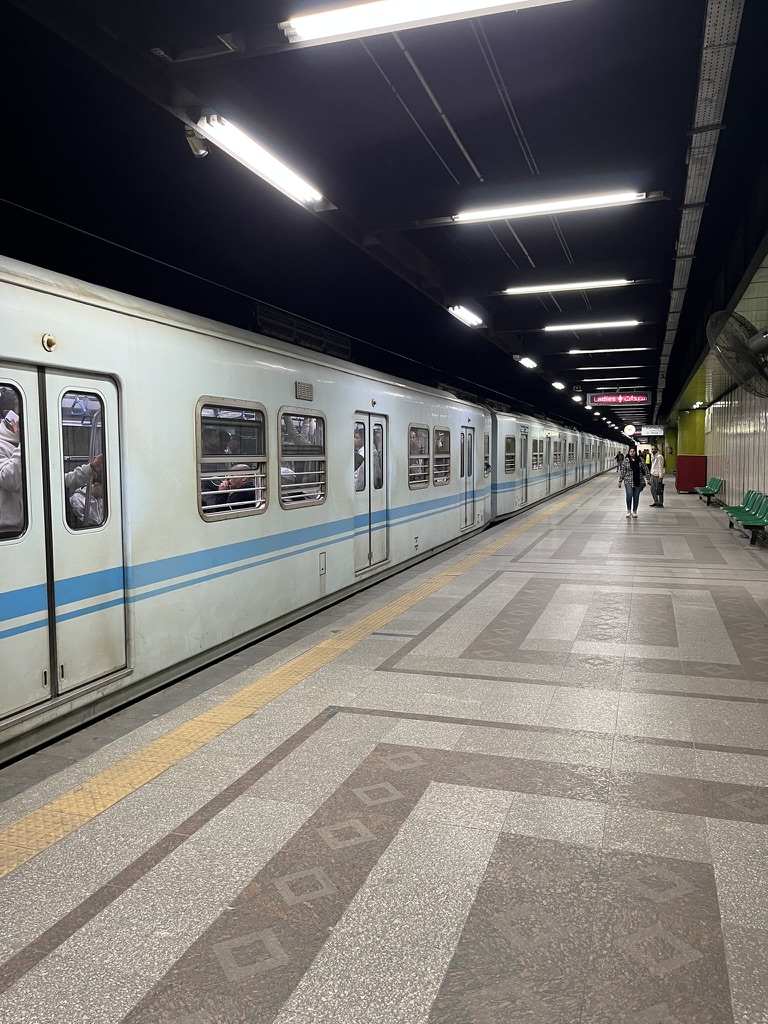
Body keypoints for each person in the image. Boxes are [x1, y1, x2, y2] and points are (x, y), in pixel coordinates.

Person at [0, 392, 23, 534]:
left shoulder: (33, 439)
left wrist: (90, 469)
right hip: (7, 530)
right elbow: (10, 481)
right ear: (9, 415)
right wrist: (23, 442)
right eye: (22, 412)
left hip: (34, 522)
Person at [618, 446, 648, 518]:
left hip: (638, 480)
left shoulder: (640, 460)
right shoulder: (626, 460)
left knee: (636, 497)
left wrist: (648, 478)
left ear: (636, 452)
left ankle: (634, 511)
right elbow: (623, 471)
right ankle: (628, 510)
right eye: (631, 451)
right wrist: (620, 480)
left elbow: (645, 469)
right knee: (629, 494)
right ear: (629, 452)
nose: (632, 452)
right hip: (628, 480)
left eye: (633, 451)